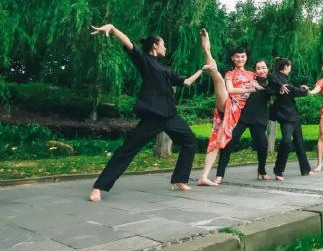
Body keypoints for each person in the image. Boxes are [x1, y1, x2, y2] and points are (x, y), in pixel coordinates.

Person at [88, 24, 202, 202]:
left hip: (170, 116)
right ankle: (99, 186)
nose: (165, 48)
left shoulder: (165, 69)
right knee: (128, 150)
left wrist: (203, 70)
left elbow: (186, 82)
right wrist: (113, 28)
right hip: (152, 117)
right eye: (162, 44)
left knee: (190, 142)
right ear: (155, 46)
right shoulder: (145, 61)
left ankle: (180, 179)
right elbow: (129, 44)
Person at [197, 45, 260, 186]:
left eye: (243, 56)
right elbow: (230, 89)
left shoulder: (252, 75)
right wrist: (248, 89)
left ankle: (203, 177)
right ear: (232, 58)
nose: (240, 59)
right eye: (237, 56)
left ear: (246, 58)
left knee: (217, 141)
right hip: (228, 102)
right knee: (217, 77)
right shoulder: (230, 74)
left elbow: (264, 87)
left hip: (234, 111)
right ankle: (206, 50)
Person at [214, 60, 273, 183]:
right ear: (255, 71)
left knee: (263, 145)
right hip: (243, 116)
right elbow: (236, 88)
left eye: (264, 68)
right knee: (229, 144)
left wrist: (259, 87)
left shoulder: (271, 82)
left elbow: (272, 91)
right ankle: (219, 174)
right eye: (258, 68)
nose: (261, 70)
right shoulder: (251, 79)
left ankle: (261, 170)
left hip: (259, 118)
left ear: (267, 69)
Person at [270, 57, 314, 180]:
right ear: (286, 67)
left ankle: (305, 169)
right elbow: (291, 89)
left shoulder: (285, 79)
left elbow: (292, 89)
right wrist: (303, 90)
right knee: (286, 141)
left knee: (299, 142)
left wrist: (303, 89)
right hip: (285, 116)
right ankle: (278, 170)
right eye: (290, 66)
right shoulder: (276, 77)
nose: (290, 68)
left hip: (293, 115)